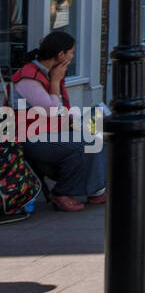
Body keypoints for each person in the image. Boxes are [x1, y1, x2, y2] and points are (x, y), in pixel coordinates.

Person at [11, 31, 105, 212]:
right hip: (31, 138)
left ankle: (97, 190)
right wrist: (55, 82)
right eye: (71, 52)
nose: (72, 56)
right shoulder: (28, 77)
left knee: (96, 132)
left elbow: (61, 111)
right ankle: (62, 192)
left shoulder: (45, 73)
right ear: (60, 55)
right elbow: (52, 111)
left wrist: (82, 122)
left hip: (49, 132)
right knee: (85, 143)